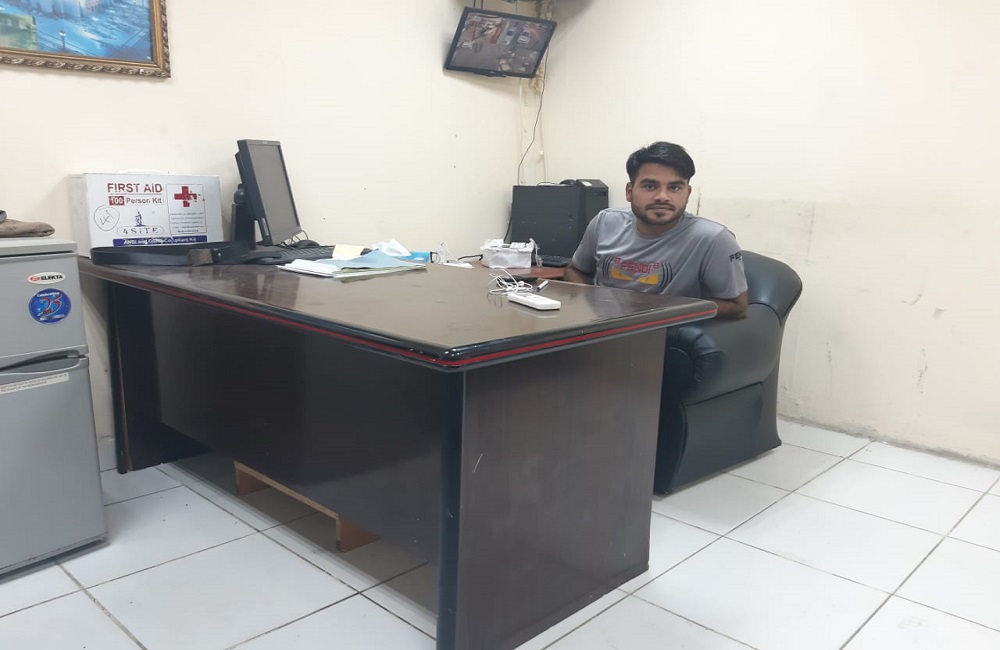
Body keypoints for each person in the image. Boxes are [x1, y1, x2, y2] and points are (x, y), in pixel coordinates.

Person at [562, 141, 748, 319]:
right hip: (599, 326)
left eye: (674, 187)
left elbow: (737, 306)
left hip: (661, 332)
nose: (662, 197)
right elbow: (574, 270)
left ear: (687, 193)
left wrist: (658, 312)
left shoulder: (713, 238)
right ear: (629, 191)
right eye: (650, 186)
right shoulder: (605, 221)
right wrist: (594, 302)